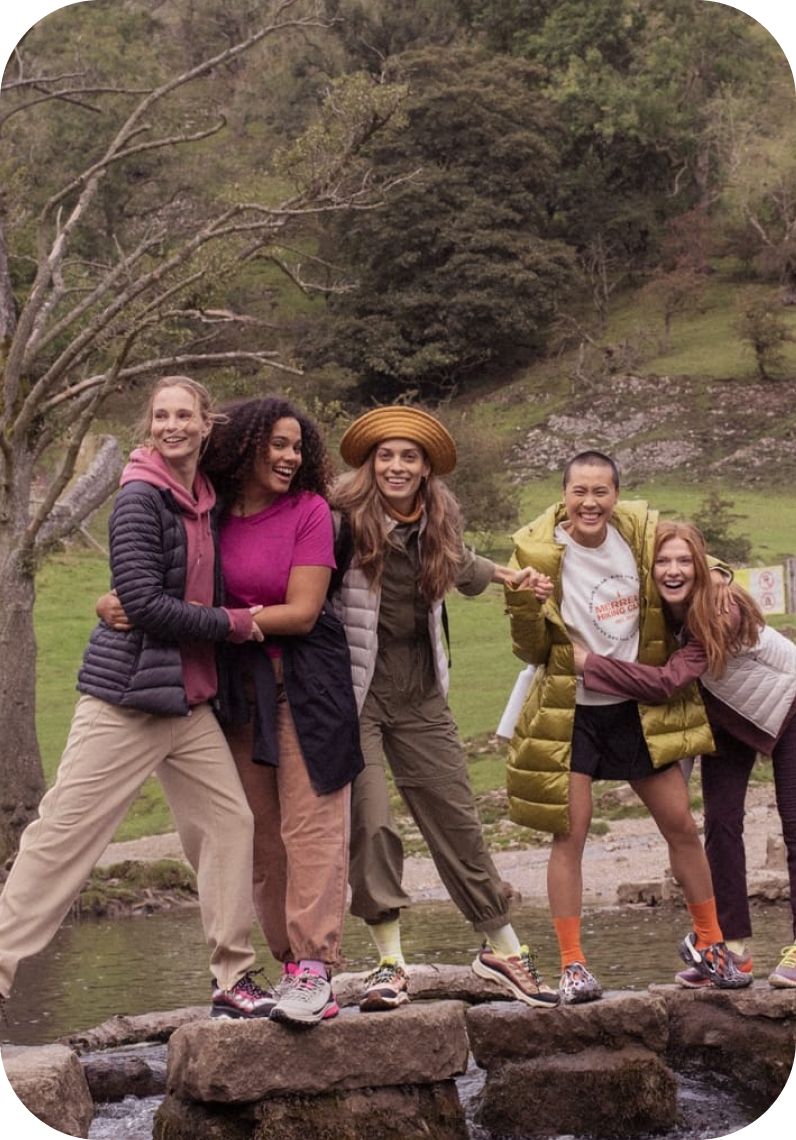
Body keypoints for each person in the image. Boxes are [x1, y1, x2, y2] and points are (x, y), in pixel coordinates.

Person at [0, 376, 274, 1022]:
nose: (171, 425)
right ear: (150, 425)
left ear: (206, 423)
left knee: (230, 823)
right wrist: (237, 624)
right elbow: (145, 605)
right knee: (63, 835)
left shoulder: (206, 497)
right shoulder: (138, 498)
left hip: (188, 701)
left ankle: (233, 977)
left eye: (184, 415)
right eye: (161, 416)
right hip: (125, 699)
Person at [99, 396, 362, 1028]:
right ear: (245, 446)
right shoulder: (210, 510)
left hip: (309, 684)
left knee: (313, 827)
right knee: (256, 834)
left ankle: (315, 967)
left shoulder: (310, 511)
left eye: (296, 446)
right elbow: (165, 583)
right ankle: (287, 966)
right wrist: (115, 602)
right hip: (236, 687)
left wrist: (221, 619)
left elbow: (302, 612)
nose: (289, 457)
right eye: (276, 444)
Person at [328, 405, 560, 1012]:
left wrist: (512, 578)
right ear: (370, 464)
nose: (396, 466)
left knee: (457, 819)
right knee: (372, 823)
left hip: (422, 693)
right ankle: (389, 963)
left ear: (426, 468)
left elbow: (461, 565)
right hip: (356, 693)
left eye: (409, 457)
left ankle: (502, 950)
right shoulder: (339, 521)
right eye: (386, 456)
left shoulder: (436, 523)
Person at [504, 450, 751, 1002]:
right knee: (571, 834)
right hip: (573, 710)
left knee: (681, 824)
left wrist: (719, 577)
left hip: (636, 707)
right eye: (580, 491)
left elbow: (686, 559)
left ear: (616, 496)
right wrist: (525, 604)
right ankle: (572, 964)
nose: (590, 502)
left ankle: (711, 943)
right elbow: (529, 647)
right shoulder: (537, 551)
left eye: (601, 492)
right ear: (564, 495)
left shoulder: (637, 534)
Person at [573, 520, 796, 989]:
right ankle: (731, 949)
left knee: (794, 826)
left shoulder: (720, 607)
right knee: (720, 825)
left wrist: (588, 664)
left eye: (682, 561)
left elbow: (667, 682)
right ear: (648, 567)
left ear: (698, 565)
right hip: (729, 719)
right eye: (662, 561)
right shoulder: (656, 609)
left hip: (789, 704)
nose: (673, 570)